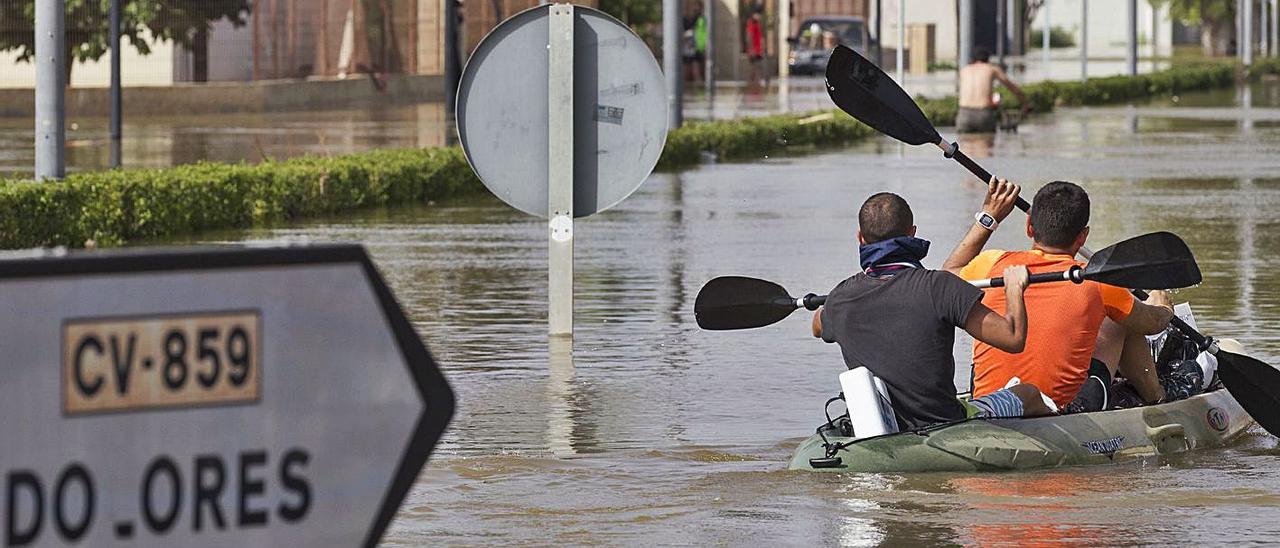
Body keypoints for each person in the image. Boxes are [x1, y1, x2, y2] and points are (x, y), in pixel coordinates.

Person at [811, 192, 1054, 431]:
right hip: (945, 423)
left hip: (883, 427)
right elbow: (1012, 338)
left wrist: (834, 302)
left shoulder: (839, 299)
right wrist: (1014, 288)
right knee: (1028, 393)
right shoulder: (940, 286)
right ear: (912, 233)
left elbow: (817, 326)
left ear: (860, 238)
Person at [943, 179, 1177, 413]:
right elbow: (1150, 324)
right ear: (1083, 237)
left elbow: (943, 279)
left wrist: (988, 218)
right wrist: (1163, 307)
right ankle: (1158, 399)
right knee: (1122, 322)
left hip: (992, 403)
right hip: (1065, 409)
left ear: (1029, 227)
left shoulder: (990, 263)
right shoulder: (1097, 281)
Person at [956, 46, 1029, 133]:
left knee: (964, 145)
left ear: (973, 59)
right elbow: (1012, 88)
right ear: (988, 59)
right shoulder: (992, 69)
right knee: (986, 144)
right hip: (983, 114)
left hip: (964, 115)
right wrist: (1025, 103)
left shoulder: (964, 70)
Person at [683, 3, 707, 84]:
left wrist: (702, 47)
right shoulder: (688, 18)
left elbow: (701, 34)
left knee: (695, 70)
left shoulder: (699, 19)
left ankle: (699, 89)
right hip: (689, 47)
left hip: (694, 47)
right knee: (689, 70)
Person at [744, 9, 766, 87]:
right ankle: (757, 81)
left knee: (756, 67)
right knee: (757, 66)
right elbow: (749, 36)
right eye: (758, 15)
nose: (759, 17)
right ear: (754, 15)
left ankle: (754, 81)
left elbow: (759, 37)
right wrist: (751, 49)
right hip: (754, 50)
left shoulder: (757, 24)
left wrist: (762, 48)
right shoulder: (752, 24)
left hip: (758, 50)